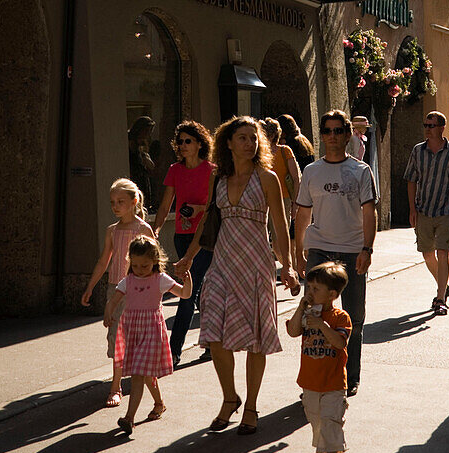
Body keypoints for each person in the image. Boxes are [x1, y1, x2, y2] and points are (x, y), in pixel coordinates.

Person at [175, 116, 298, 434]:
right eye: (242, 137)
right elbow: (206, 221)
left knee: (256, 341)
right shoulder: (218, 178)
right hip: (222, 265)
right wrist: (188, 258)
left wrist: (288, 266)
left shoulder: (267, 178)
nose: (249, 143)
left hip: (256, 265)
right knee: (214, 335)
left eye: (253, 138)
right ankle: (230, 398)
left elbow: (280, 227)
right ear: (228, 143)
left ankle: (252, 407)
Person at [294, 109, 376, 397]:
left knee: (353, 315)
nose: (332, 136)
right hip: (319, 248)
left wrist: (367, 248)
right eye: (327, 131)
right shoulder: (311, 171)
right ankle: (313, 377)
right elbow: (303, 213)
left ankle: (349, 375)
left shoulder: (361, 171)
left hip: (352, 250)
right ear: (322, 136)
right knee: (313, 313)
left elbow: (369, 212)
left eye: (338, 131)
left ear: (346, 134)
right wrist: (297, 251)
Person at [81, 178, 155, 405]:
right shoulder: (112, 231)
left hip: (139, 289)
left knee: (140, 337)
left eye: (120, 201)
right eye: (112, 202)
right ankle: (116, 387)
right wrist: (90, 286)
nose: (115, 206)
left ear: (134, 202)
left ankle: (148, 386)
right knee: (116, 337)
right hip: (115, 289)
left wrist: (156, 290)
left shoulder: (143, 228)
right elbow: (104, 260)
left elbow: (154, 261)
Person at [106, 236, 191, 432]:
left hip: (151, 332)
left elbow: (185, 294)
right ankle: (159, 404)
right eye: (135, 265)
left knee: (138, 373)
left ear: (155, 261)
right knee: (145, 374)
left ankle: (129, 418)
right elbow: (114, 300)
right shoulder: (128, 281)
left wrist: (188, 280)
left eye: (145, 265)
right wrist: (108, 313)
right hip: (133, 331)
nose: (140, 269)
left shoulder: (160, 279)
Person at [153, 121, 215, 368]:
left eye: (187, 140)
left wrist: (198, 209)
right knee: (196, 289)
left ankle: (173, 351)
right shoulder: (174, 170)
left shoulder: (212, 170)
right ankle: (212, 341)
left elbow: (214, 205)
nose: (182, 145)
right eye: (179, 141)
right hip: (182, 236)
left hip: (206, 238)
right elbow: (166, 203)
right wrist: (155, 229)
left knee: (188, 293)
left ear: (200, 143)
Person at [286, 260, 351, 453]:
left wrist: (322, 325)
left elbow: (340, 343)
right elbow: (293, 332)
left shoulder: (340, 317)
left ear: (332, 294)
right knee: (317, 422)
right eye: (309, 287)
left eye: (316, 289)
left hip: (333, 383)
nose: (310, 292)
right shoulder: (307, 314)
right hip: (310, 382)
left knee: (332, 421)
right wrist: (300, 308)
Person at [405, 111, 449, 315]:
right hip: (423, 209)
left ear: (442, 127)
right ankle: (444, 285)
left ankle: (440, 297)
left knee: (443, 252)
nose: (427, 129)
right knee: (427, 254)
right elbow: (411, 180)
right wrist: (411, 209)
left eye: (431, 125)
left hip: (445, 210)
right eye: (425, 125)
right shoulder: (418, 151)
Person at [262, 118, 301, 228]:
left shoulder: (285, 151)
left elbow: (296, 178)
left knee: (280, 235)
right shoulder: (260, 153)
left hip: (284, 198)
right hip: (263, 198)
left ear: (273, 135)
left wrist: (295, 204)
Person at [128, 115, 156, 210]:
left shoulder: (144, 144)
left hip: (143, 177)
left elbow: (150, 166)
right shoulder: (130, 142)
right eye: (146, 131)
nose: (147, 135)